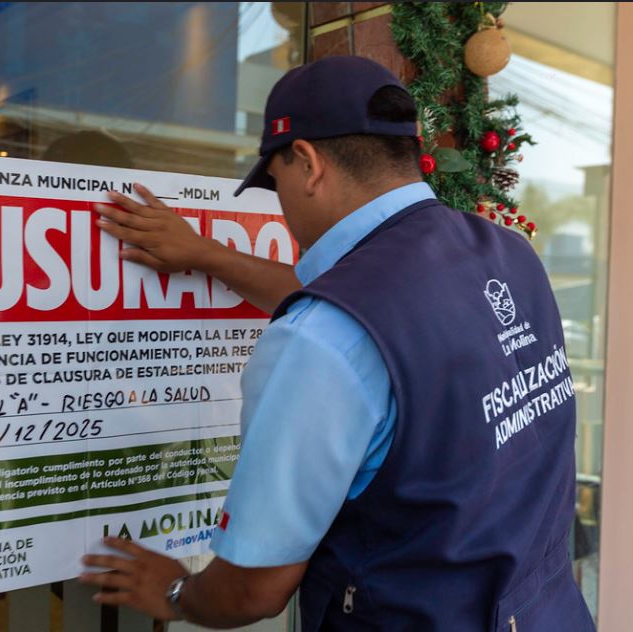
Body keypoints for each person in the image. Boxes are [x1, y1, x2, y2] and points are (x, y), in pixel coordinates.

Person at [79, 56, 595, 631]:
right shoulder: (507, 253)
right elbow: (380, 316)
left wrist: (176, 591)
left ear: (307, 163)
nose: (281, 206)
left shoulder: (320, 339)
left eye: (275, 184)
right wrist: (208, 255)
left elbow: (253, 590)